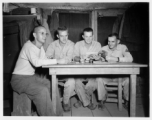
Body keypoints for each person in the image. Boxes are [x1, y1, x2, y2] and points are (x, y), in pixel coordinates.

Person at [11, 26, 66, 116]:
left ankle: (59, 115)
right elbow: (36, 63)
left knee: (52, 85)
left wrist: (58, 61)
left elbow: (45, 61)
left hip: (31, 77)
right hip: (18, 79)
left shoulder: (40, 48)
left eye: (46, 33)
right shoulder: (28, 46)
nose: (45, 36)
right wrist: (57, 61)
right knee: (42, 90)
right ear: (34, 35)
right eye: (42, 33)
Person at [96, 33, 133, 110]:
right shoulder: (104, 48)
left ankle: (127, 100)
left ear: (118, 41)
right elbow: (98, 59)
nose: (110, 43)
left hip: (120, 76)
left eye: (113, 41)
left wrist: (117, 59)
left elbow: (130, 59)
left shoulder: (123, 47)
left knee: (128, 80)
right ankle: (102, 99)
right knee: (99, 79)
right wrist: (98, 58)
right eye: (109, 41)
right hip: (107, 76)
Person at [46, 26, 75, 112]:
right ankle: (53, 104)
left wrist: (56, 60)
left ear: (68, 35)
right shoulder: (52, 45)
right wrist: (59, 60)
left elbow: (68, 59)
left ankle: (65, 102)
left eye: (66, 35)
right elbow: (47, 57)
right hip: (54, 73)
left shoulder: (71, 44)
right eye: (62, 36)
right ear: (58, 36)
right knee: (49, 84)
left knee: (71, 82)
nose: (64, 38)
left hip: (67, 72)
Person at [73, 27, 102, 110]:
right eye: (86, 36)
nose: (88, 39)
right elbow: (74, 57)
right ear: (83, 36)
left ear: (93, 36)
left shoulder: (98, 44)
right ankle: (87, 102)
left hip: (93, 72)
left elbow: (102, 58)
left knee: (93, 83)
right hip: (80, 72)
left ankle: (81, 100)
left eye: (90, 36)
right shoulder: (78, 44)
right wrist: (80, 59)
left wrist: (98, 58)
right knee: (77, 83)